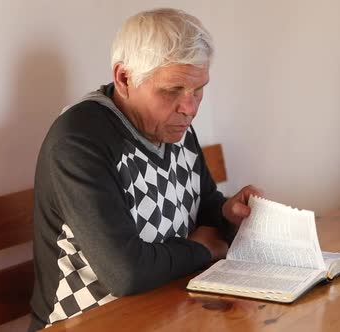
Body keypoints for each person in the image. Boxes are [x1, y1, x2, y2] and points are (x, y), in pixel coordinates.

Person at [29, 8, 261, 330]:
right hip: (85, 322)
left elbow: (202, 205)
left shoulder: (173, 125)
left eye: (198, 89)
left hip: (169, 309)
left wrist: (226, 213)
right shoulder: (78, 142)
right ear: (124, 78)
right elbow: (125, 273)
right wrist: (202, 248)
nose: (190, 108)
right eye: (172, 90)